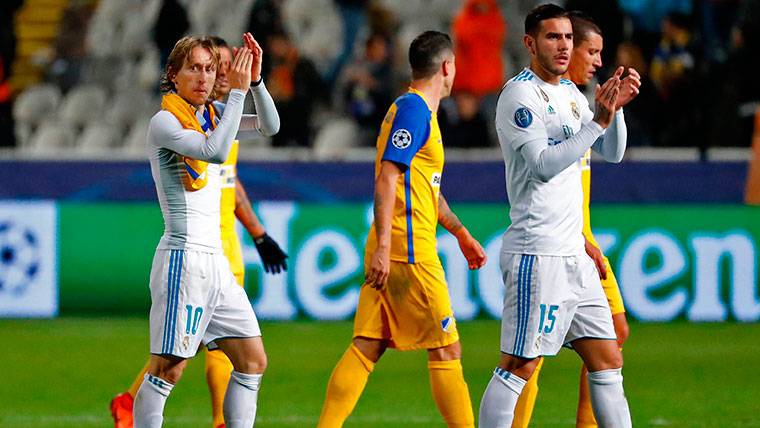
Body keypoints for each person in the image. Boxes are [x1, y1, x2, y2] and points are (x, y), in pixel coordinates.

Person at [110, 34, 286, 428]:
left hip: (217, 264)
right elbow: (215, 152)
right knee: (166, 369)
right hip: (183, 260)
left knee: (253, 360)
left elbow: (271, 126)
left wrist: (255, 82)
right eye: (194, 68)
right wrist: (239, 94)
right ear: (172, 75)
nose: (205, 77)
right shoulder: (165, 123)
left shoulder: (213, 116)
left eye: (210, 68)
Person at [317, 31, 487, 428]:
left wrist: (460, 233)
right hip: (407, 254)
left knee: (366, 347)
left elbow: (426, 189)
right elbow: (388, 177)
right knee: (447, 348)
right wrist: (385, 249)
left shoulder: (413, 110)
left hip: (390, 244)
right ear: (447, 67)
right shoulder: (413, 112)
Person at [478, 4, 634, 427]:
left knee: (607, 358)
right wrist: (596, 122)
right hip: (538, 252)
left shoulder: (571, 94)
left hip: (575, 258)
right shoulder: (519, 96)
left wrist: (612, 109)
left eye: (567, 37)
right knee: (519, 365)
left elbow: (613, 152)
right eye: (552, 37)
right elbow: (542, 164)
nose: (564, 45)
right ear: (530, 43)